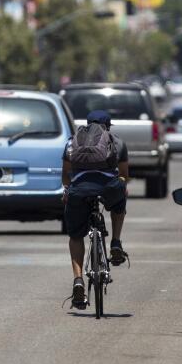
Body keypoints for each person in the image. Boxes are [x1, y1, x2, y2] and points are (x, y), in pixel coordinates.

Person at [62, 110, 129, 309]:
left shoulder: (71, 141)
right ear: (108, 126)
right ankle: (116, 242)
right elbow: (124, 175)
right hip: (108, 187)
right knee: (119, 202)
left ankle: (78, 280)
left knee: (75, 235)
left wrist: (68, 190)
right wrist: (120, 186)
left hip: (79, 190)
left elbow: (66, 174)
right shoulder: (117, 142)